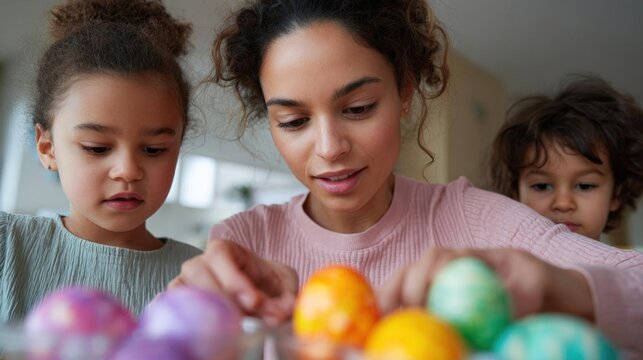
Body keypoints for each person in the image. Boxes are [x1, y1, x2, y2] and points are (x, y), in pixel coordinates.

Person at [170, 0, 643, 354]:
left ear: (404, 94)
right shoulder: (245, 243)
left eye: (358, 108)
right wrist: (181, 318)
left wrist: (559, 288)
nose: (330, 147)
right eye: (294, 121)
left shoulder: (473, 221)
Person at [0, 0, 202, 322]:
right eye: (96, 148)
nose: (128, 171)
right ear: (47, 148)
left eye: (154, 150)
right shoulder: (8, 246)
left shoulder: (201, 280)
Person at [489, 75, 643, 241]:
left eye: (584, 186)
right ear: (516, 193)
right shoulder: (499, 263)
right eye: (541, 186)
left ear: (616, 194)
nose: (563, 204)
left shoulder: (628, 266)